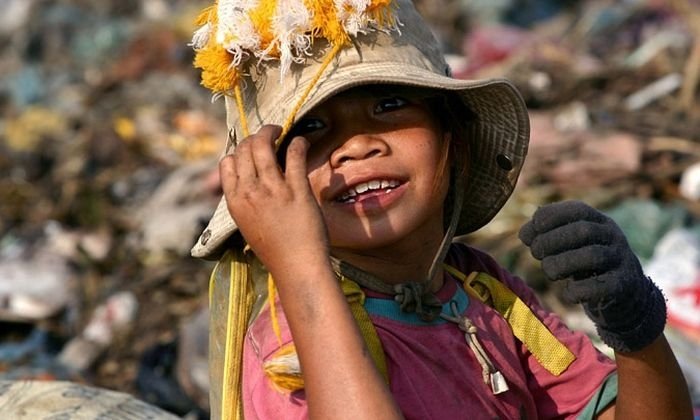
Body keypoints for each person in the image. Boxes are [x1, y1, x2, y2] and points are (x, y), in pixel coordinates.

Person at [190, 0, 693, 419]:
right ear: (272, 189)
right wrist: (300, 267)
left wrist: (633, 328)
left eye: (388, 106)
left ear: (453, 143)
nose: (358, 147)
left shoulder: (482, 294)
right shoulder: (290, 343)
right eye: (313, 131)